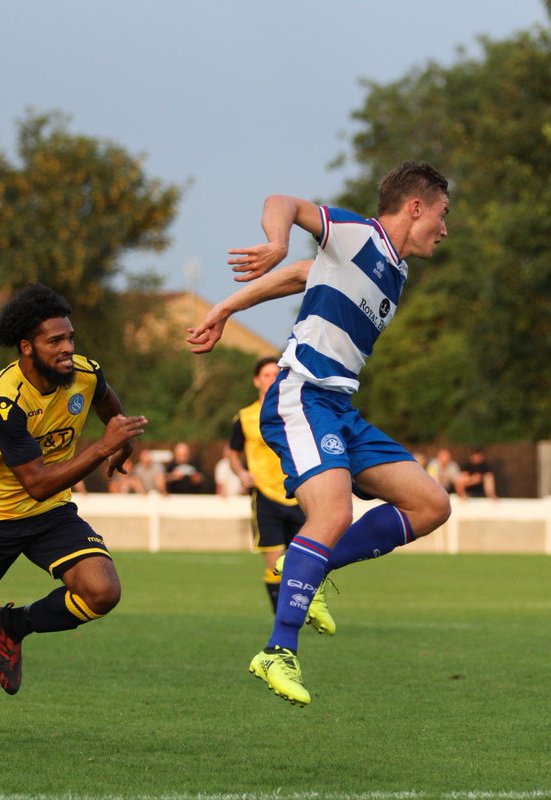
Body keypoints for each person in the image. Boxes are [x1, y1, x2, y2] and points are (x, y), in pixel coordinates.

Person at [186, 160, 453, 707]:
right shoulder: (358, 234)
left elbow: (302, 277)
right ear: (416, 206)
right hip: (302, 396)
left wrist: (226, 308)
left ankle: (310, 562)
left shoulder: (394, 269)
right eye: (443, 214)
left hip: (340, 408)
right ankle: (277, 650)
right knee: (332, 516)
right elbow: (282, 200)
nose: (445, 229)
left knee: (431, 505)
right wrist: (277, 240)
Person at [0, 284, 147, 749]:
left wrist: (124, 442)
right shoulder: (5, 400)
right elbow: (35, 480)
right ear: (27, 346)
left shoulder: (84, 374)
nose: (68, 349)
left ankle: (14, 625)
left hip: (47, 514)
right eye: (55, 341)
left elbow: (107, 403)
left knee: (102, 590)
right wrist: (104, 446)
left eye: (70, 337)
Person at [228, 356, 327, 624]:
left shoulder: (296, 412)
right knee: (273, 563)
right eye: (267, 375)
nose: (272, 379)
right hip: (264, 495)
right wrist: (241, 472)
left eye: (276, 374)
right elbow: (233, 451)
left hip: (298, 492)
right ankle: (282, 618)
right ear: (257, 380)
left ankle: (306, 609)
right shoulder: (246, 417)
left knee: (304, 559)